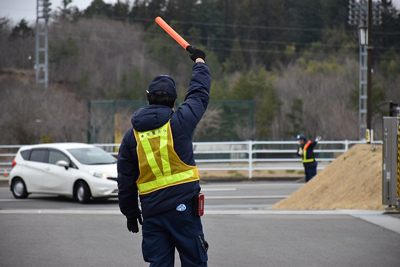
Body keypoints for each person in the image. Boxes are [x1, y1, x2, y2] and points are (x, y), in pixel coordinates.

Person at [117, 47, 210, 267]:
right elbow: (198, 94)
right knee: (194, 261)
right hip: (184, 209)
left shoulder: (131, 138)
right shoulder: (180, 123)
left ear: (148, 99)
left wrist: (131, 213)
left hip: (152, 212)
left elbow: (125, 180)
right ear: (174, 102)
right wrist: (199, 62)